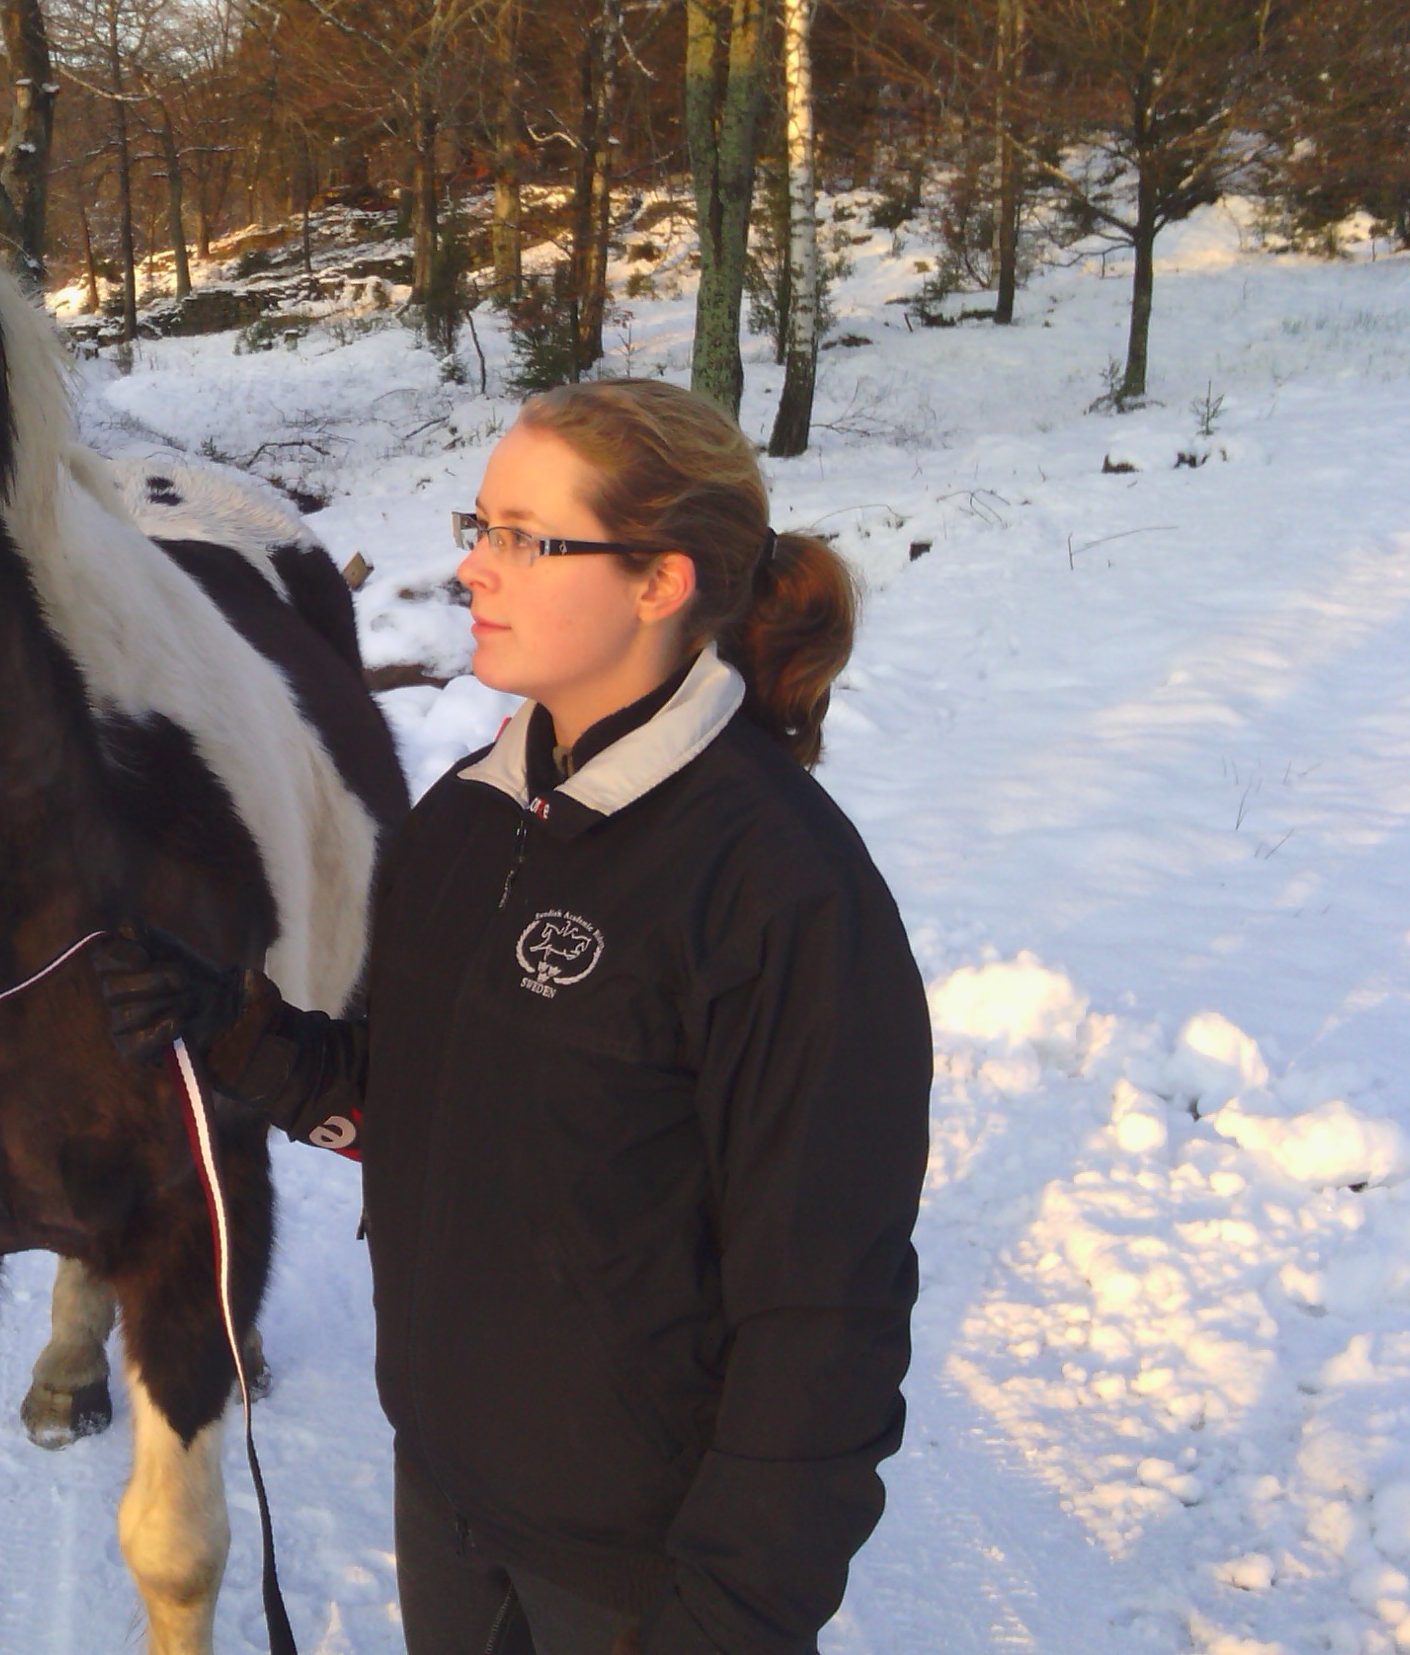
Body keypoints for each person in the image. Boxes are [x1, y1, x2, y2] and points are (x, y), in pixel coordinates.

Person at [94, 379, 932, 1655]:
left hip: (639, 1566)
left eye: (523, 539)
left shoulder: (781, 892)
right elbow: (417, 1101)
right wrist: (239, 1029)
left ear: (659, 582)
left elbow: (824, 1318)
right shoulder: (469, 819)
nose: (469, 566)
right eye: (477, 525)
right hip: (448, 1498)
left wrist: (731, 1617)